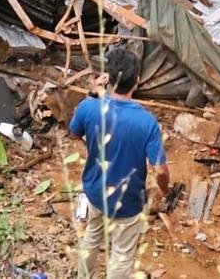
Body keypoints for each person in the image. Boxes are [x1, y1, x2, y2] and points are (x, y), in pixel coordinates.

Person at [70, 47, 169, 279]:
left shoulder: (88, 107)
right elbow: (160, 169)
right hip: (127, 201)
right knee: (122, 254)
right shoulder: (146, 122)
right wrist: (164, 188)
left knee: (92, 237)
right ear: (137, 80)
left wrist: (93, 93)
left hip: (95, 192)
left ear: (108, 78)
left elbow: (74, 133)